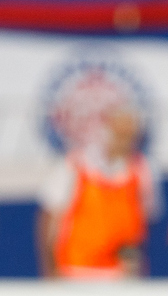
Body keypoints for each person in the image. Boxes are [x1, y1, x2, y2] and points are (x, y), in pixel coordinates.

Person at [38, 107, 161, 280]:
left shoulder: (143, 171)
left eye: (130, 136)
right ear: (107, 131)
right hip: (75, 271)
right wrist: (50, 271)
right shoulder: (74, 165)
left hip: (120, 276)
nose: (125, 141)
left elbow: (142, 223)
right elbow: (49, 219)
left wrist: (135, 266)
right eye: (120, 134)